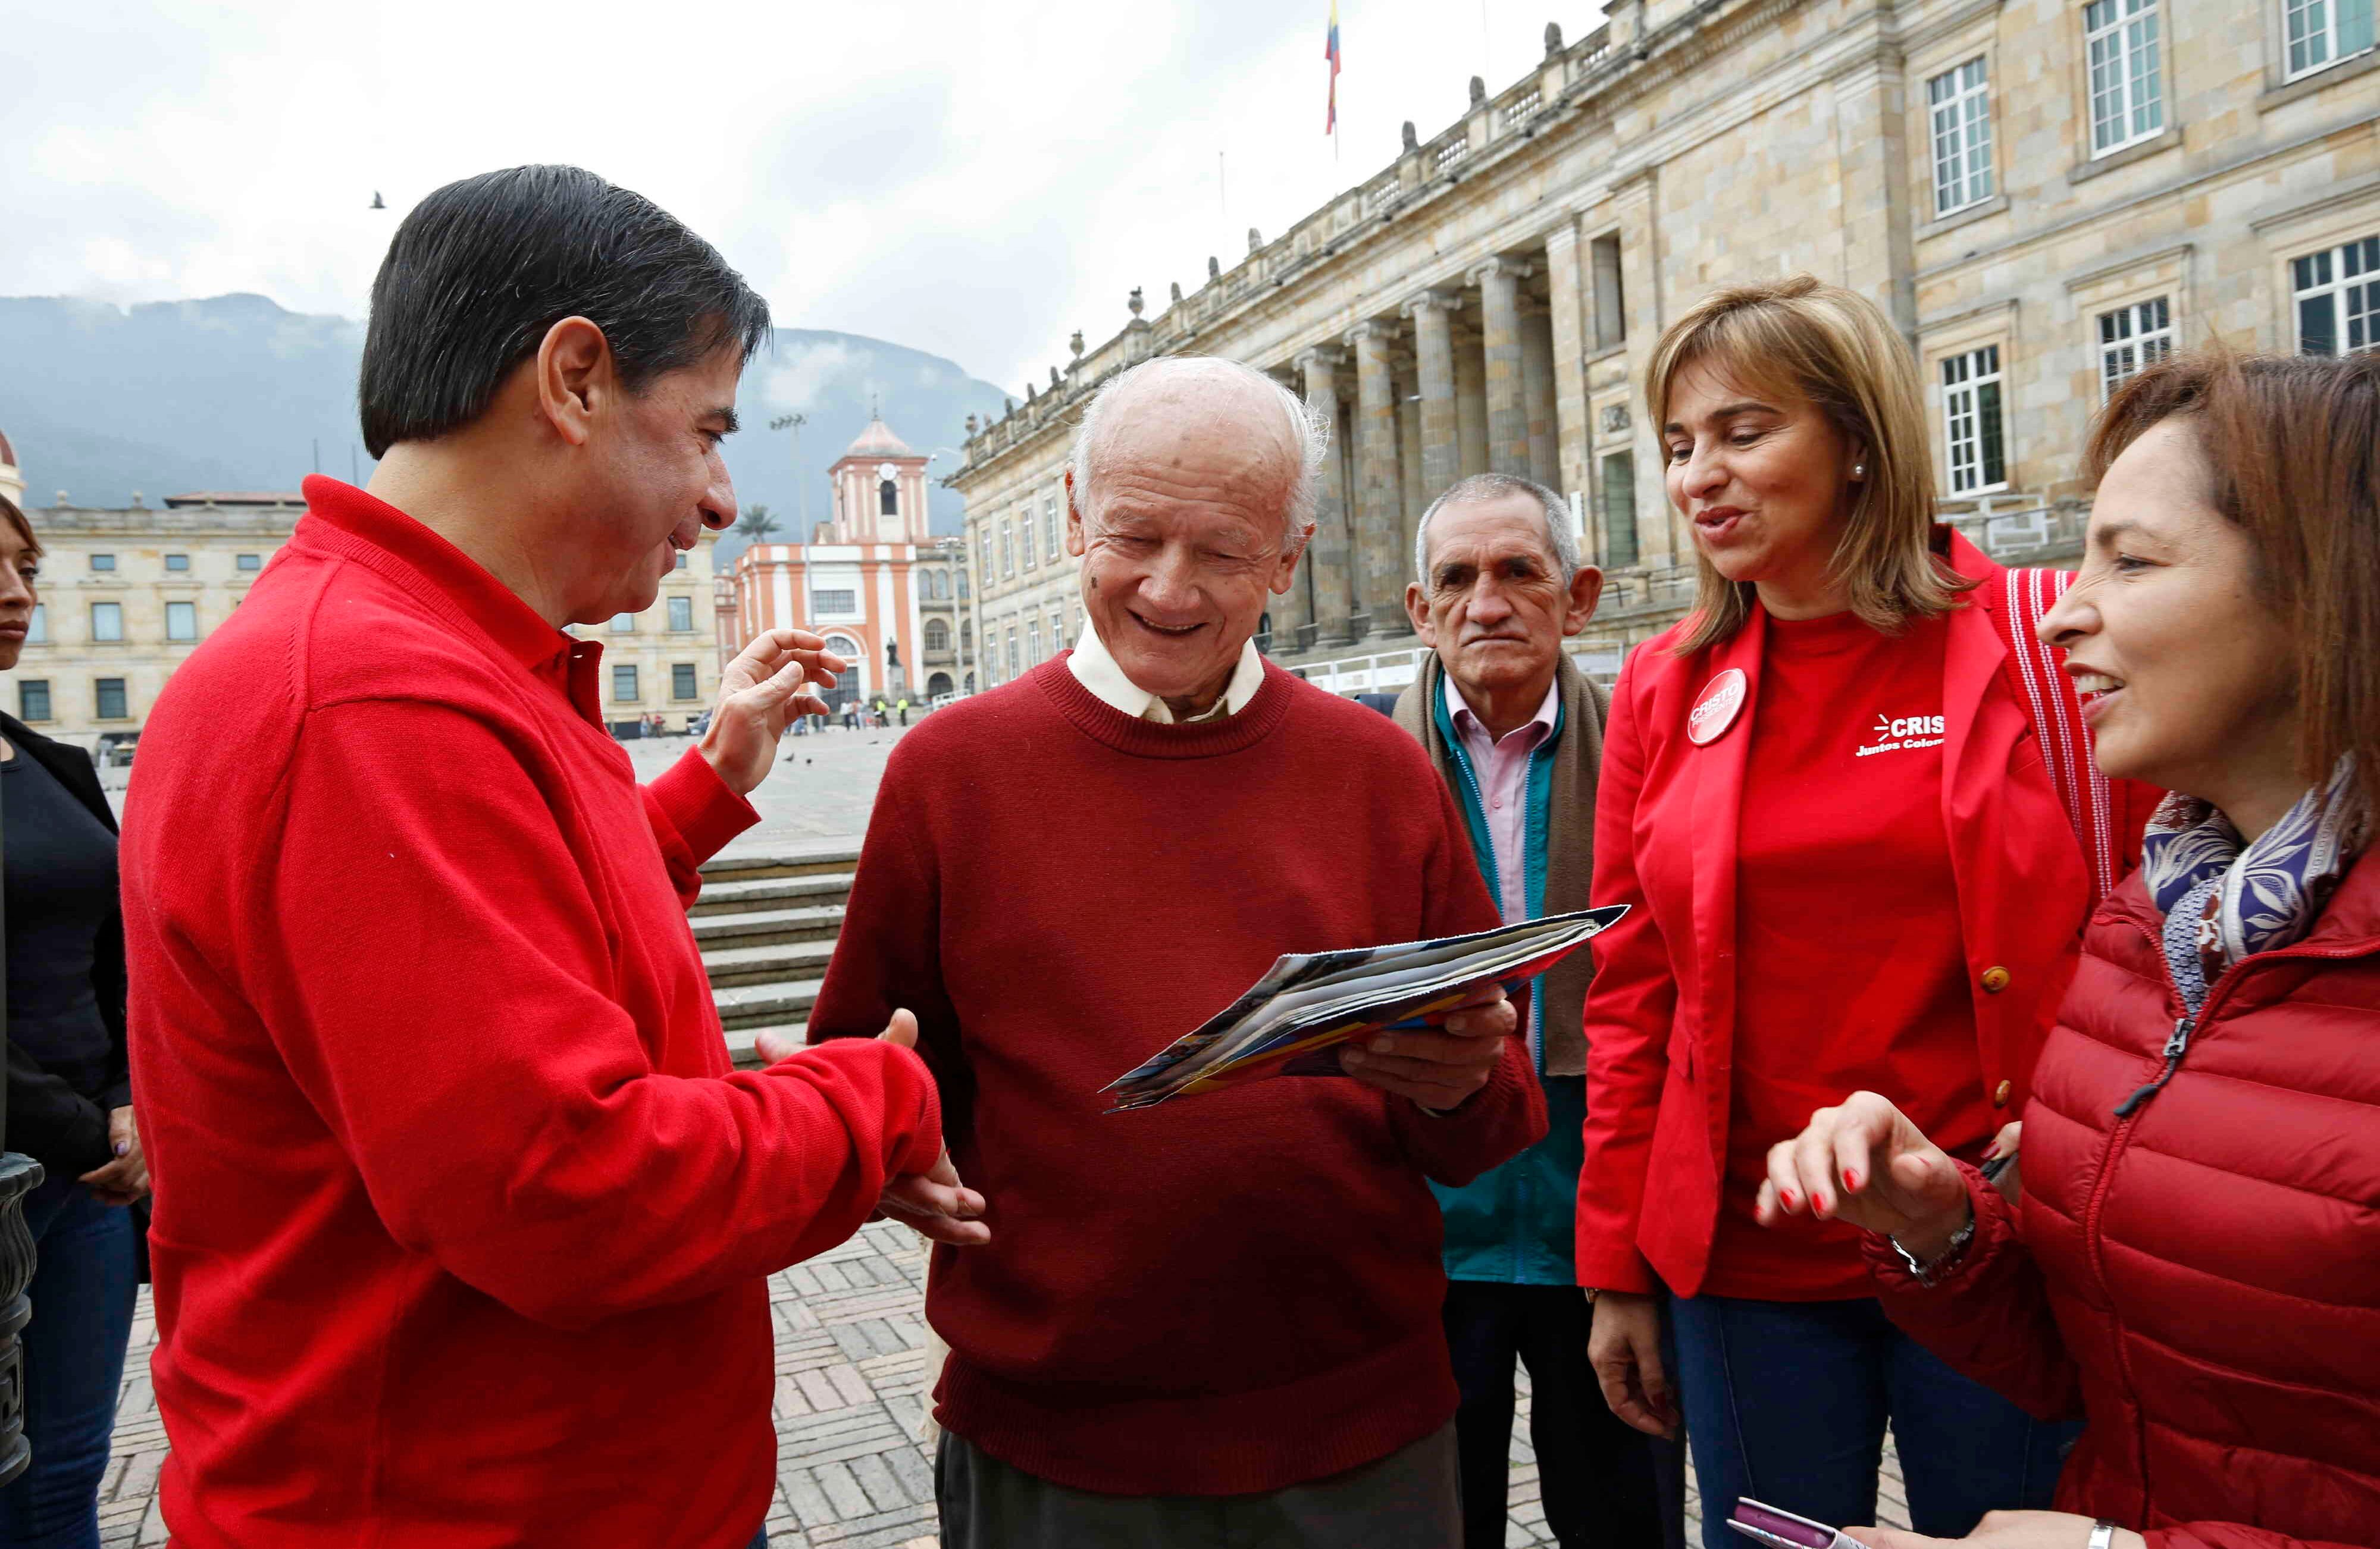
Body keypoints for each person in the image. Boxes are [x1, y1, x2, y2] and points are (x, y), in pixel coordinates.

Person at [118, 166, 963, 1549]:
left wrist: (702, 813)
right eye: (701, 431)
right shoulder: (370, 702)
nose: (715, 499)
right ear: (573, 379)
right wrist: (876, 1100)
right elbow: (563, 1191)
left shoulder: (451, 662)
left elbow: (500, 965)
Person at [793, 355, 1545, 1548]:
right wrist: (877, 1140)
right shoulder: (951, 772)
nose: (1170, 589)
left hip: (1356, 1444)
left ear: (1289, 561)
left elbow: (1491, 1120)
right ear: (1081, 521)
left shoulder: (1375, 773)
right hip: (1059, 1444)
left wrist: (1460, 1084)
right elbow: (860, 1063)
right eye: (1134, 536)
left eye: (1224, 552)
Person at [1762, 351, 2380, 1549]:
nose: (2057, 609)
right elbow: (2103, 1371)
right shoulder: (2145, 921)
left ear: (2322, 585)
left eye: (2131, 561)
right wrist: (1938, 1227)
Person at [1578, 277, 2159, 1544]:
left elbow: (2157, 928)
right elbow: (1630, 996)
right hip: (1743, 1271)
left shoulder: (2035, 637)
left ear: (1854, 442)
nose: (1696, 478)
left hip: (1988, 1245)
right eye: (1677, 447)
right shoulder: (1657, 686)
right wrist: (1614, 1267)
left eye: (1741, 432)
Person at [1386, 474, 1684, 1549]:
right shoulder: (1364, 773)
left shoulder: (1654, 755)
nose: (1488, 603)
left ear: (1581, 596)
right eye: (1456, 579)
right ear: (1420, 611)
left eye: (1520, 571)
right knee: (1434, 1522)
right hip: (1430, 1232)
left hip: (1596, 1227)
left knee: (1623, 1517)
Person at [0, 494, 148, 1549]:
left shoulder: (54, 765)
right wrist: (87, 1127)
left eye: (26, 570)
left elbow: (120, 950)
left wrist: (135, 1098)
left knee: (67, 1471)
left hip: (95, 1175)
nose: (18, 596)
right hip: (45, 1152)